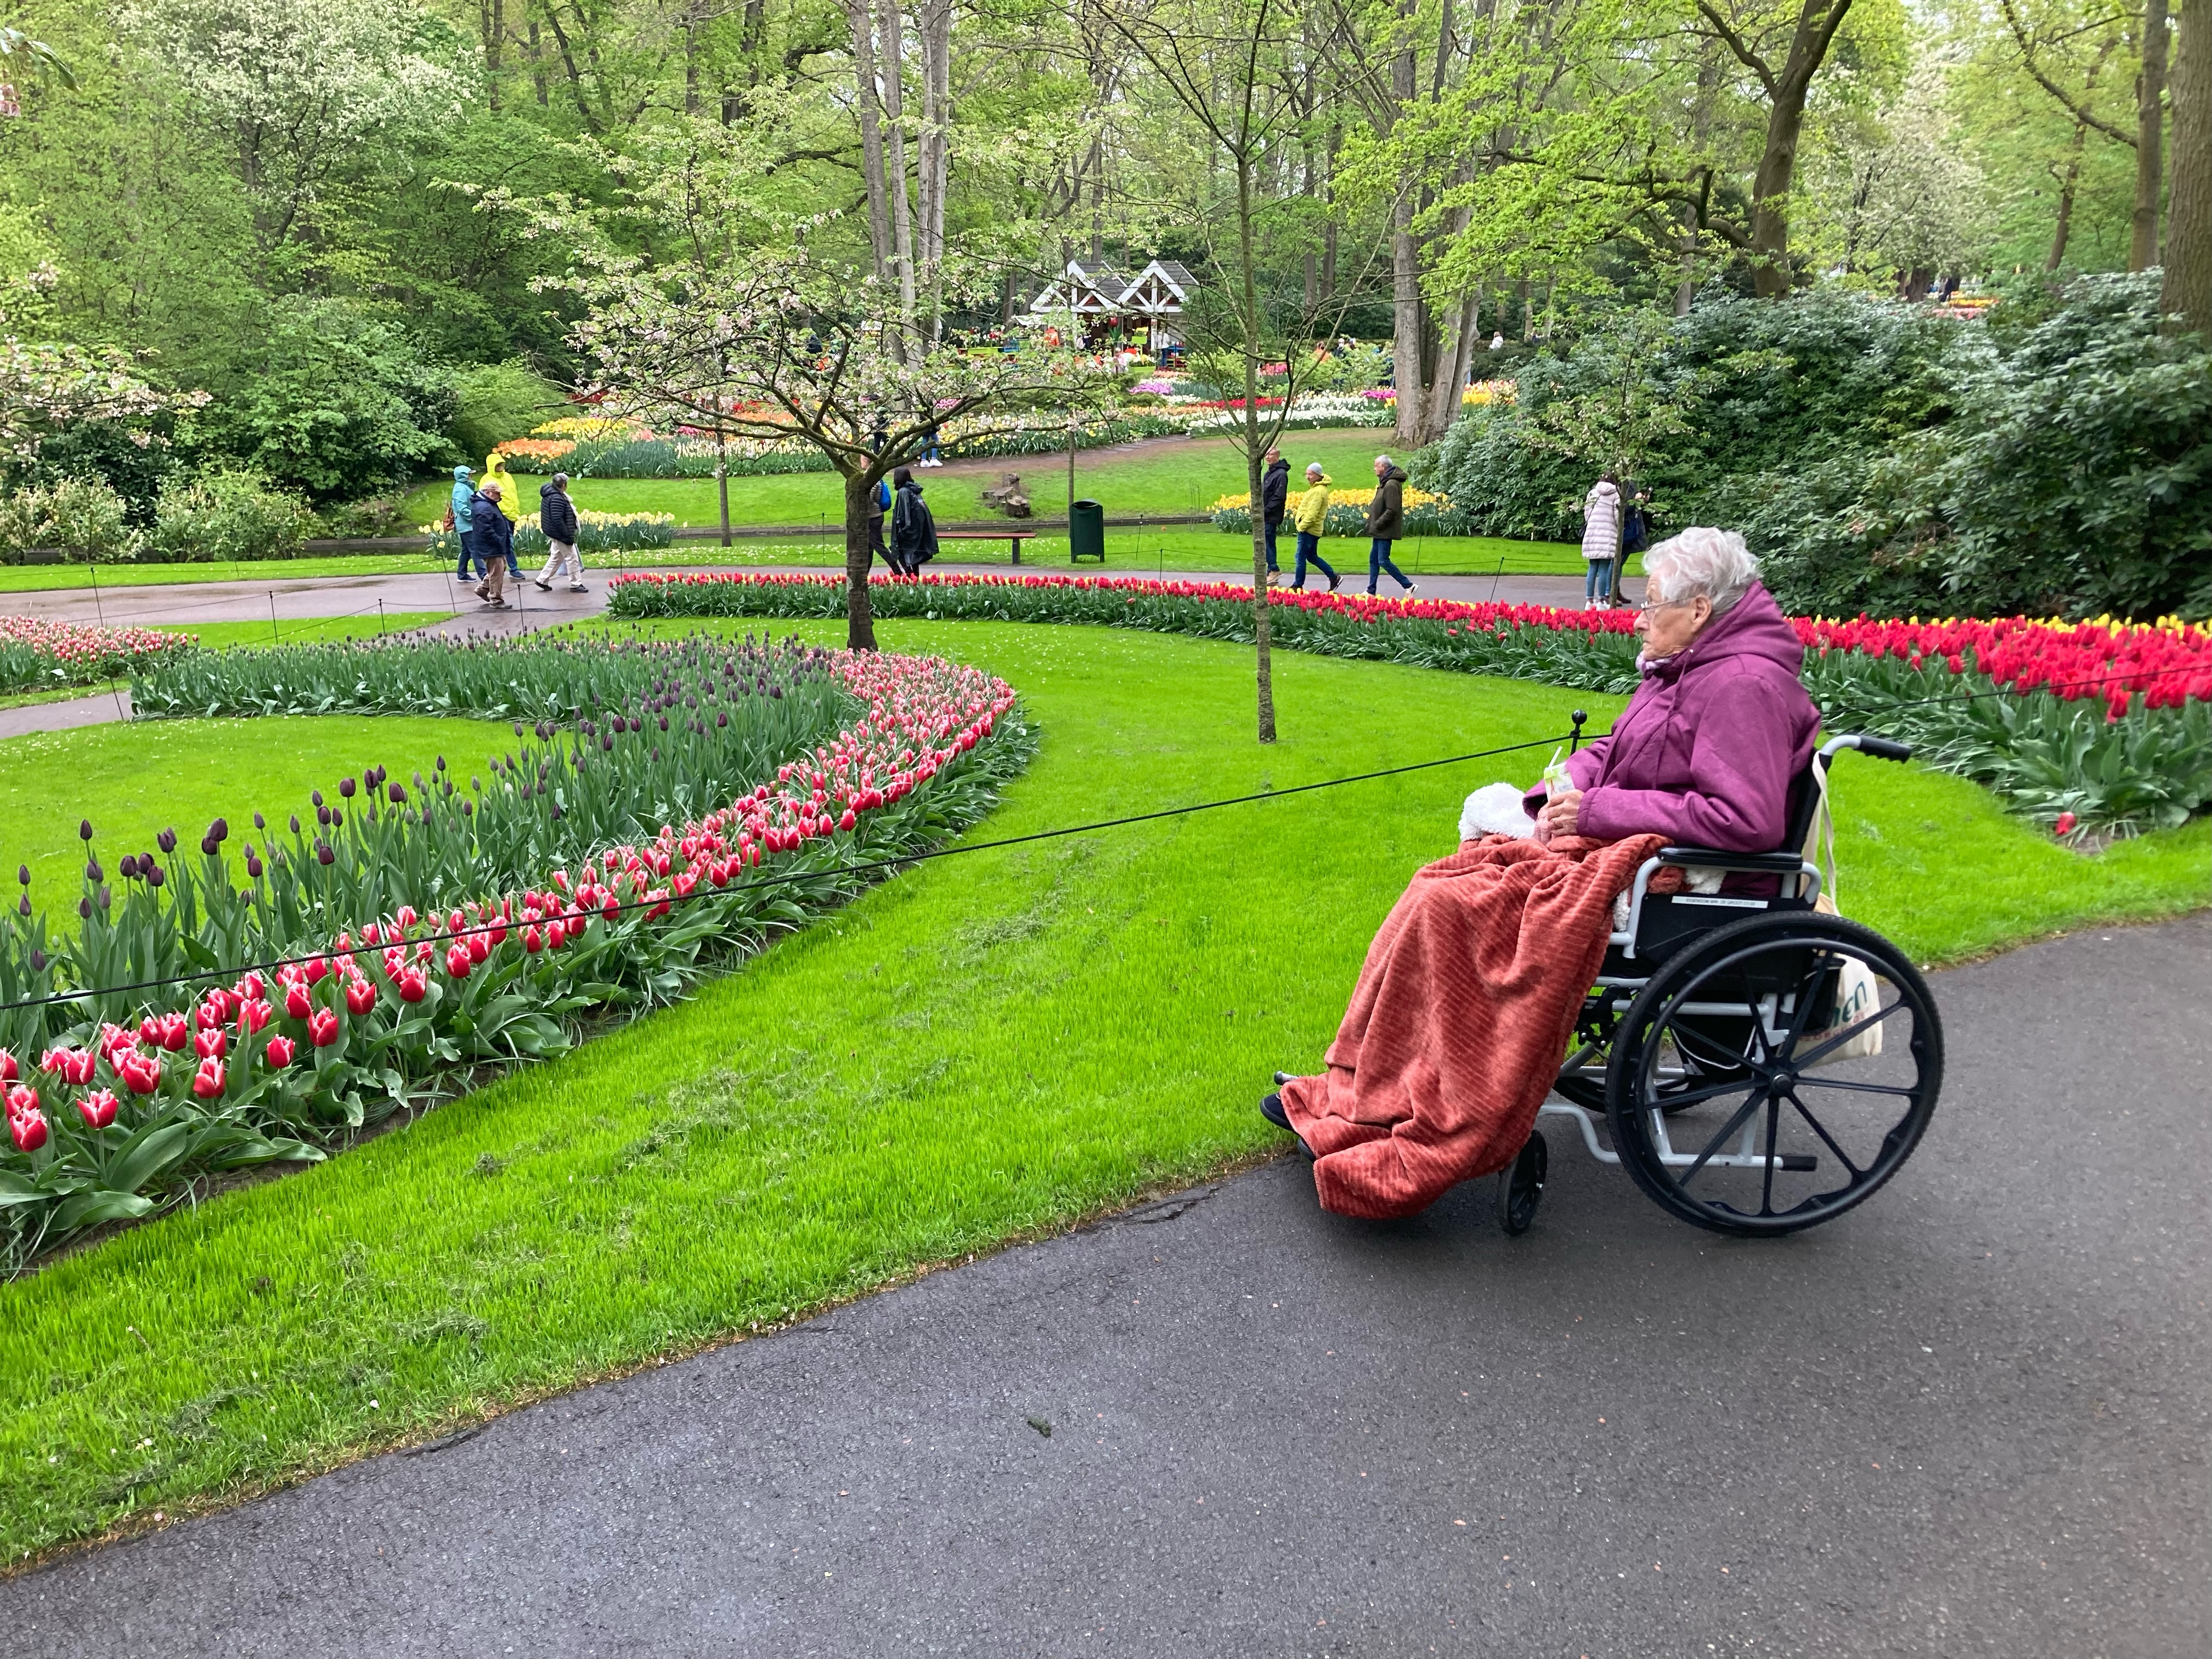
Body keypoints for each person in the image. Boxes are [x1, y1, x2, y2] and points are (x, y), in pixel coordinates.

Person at [1260, 528, 1819, 1219]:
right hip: (1628, 853)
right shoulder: (1689, 667)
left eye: (1651, 604)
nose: (1637, 618)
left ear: (1700, 610)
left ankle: (1411, 1107)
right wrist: (1564, 790)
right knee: (1440, 881)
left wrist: (1600, 811)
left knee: (1452, 908)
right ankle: (1361, 1086)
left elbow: (1746, 819)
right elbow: (1615, 747)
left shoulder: (1742, 685)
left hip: (1686, 887)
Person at [1363, 454, 1416, 596]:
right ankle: (1371, 590)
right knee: (1374, 560)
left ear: (1384, 467)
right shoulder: (1386, 482)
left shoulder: (1392, 484)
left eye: (1376, 466)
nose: (1374, 469)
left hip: (1385, 530)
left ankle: (1409, 585)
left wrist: (1378, 524)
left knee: (1383, 560)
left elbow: (1392, 510)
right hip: (1379, 530)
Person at [533, 473, 588, 593]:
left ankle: (542, 580)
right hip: (559, 534)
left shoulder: (551, 495)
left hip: (554, 532)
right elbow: (557, 519)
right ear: (563, 485)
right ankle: (576, 584)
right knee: (572, 558)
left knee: (557, 557)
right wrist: (567, 535)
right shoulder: (557, 498)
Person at [1290, 462, 1340, 591]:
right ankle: (1333, 577)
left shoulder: (1318, 491)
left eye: (1311, 474)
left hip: (1309, 530)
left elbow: (1312, 514)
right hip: (1313, 529)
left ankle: (1298, 585)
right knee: (1312, 557)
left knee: (1300, 557)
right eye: (1307, 474)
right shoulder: (1317, 488)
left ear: (1318, 475)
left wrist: (1301, 527)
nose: (1308, 477)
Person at [469, 481, 515, 608]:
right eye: (497, 493)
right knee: (496, 572)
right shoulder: (483, 507)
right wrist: (498, 541)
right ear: (489, 493)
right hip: (491, 546)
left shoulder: (487, 504)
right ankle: (496, 600)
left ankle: (484, 589)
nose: (500, 496)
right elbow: (486, 530)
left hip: (492, 545)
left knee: (500, 567)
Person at [1582, 471, 1622, 610]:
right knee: (1604, 569)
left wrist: (1592, 523)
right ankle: (1602, 601)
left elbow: (1587, 512)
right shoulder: (1616, 494)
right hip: (1608, 533)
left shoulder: (1592, 493)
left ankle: (1589, 601)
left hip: (1592, 533)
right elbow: (1618, 516)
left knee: (1592, 568)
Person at [889, 465, 938, 572]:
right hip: (917, 529)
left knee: (900, 551)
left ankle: (909, 577)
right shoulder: (914, 490)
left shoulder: (904, 492)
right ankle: (914, 578)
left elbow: (904, 512)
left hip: (908, 529)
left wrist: (901, 528)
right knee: (913, 557)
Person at [1258, 447, 1291, 584]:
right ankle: (1271, 572)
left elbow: (1279, 497)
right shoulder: (1269, 473)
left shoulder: (1281, 474)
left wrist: (1264, 510)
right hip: (1265, 513)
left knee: (1266, 542)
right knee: (1269, 542)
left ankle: (1274, 569)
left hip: (1271, 514)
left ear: (1277, 455)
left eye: (1270, 454)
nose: (1267, 457)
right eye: (1266, 454)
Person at [448, 465, 479, 583]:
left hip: (466, 524)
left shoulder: (463, 487)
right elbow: (461, 508)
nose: (471, 476)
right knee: (475, 550)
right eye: (469, 474)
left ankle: (462, 574)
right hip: (466, 525)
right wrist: (474, 516)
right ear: (463, 476)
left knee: (467, 550)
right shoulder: (461, 489)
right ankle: (484, 576)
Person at [868, 472, 897, 573]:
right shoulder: (873, 477)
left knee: (878, 546)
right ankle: (863, 576)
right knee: (869, 548)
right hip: (873, 516)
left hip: (874, 517)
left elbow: (868, 499)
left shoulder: (872, 480)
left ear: (866, 461)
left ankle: (898, 571)